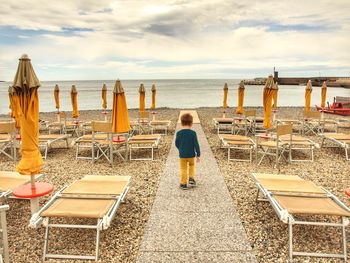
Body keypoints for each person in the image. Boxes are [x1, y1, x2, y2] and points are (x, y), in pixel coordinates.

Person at [175, 113, 201, 190]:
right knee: (191, 166)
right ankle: (191, 179)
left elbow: (176, 143)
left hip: (182, 155)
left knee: (183, 169)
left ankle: (183, 184)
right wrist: (198, 155)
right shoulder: (193, 133)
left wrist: (180, 149)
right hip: (191, 155)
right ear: (191, 123)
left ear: (181, 123)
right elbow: (196, 145)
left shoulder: (178, 133)